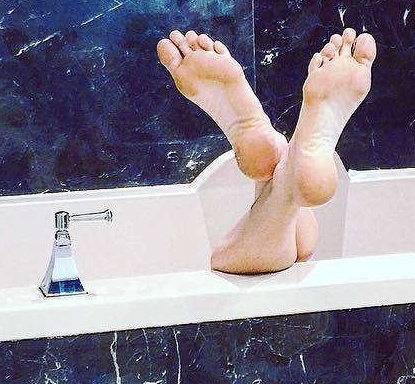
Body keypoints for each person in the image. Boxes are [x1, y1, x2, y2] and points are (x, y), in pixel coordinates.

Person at [156, 26, 377, 274]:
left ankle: (284, 173)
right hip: (295, 240)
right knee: (300, 244)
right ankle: (288, 173)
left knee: (223, 260)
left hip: (273, 247)